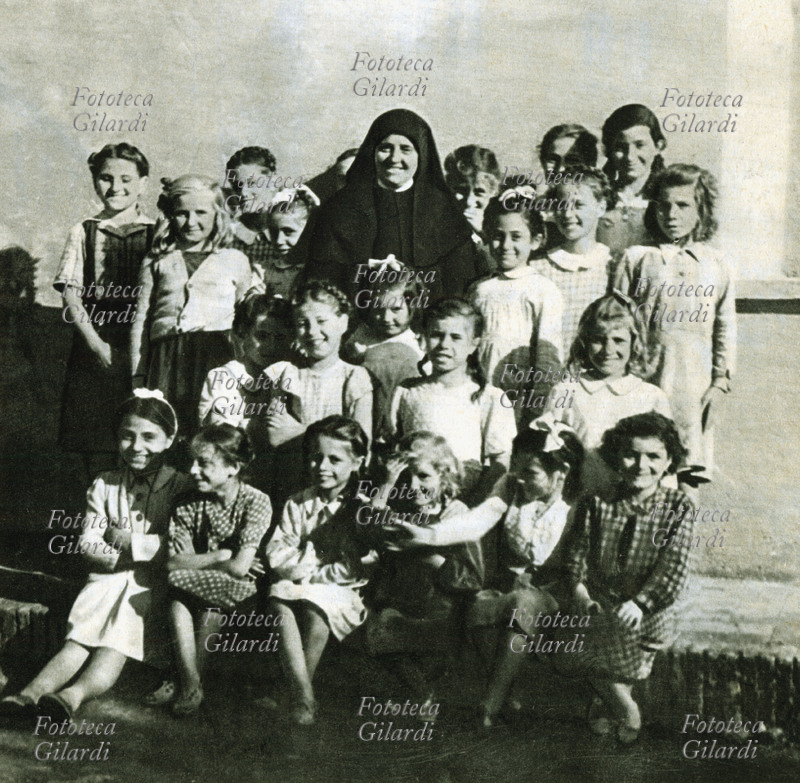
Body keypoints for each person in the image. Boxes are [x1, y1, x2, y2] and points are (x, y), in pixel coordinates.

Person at [0, 391, 188, 724]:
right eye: (127, 436)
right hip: (108, 578)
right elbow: (88, 543)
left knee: (115, 642)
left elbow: (177, 545)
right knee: (78, 640)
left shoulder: (180, 487)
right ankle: (28, 695)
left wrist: (127, 541)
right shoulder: (105, 483)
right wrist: (130, 555)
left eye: (149, 437)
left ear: (170, 439)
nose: (136, 446)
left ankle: (71, 697)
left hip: (150, 588)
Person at [383, 421, 581, 727]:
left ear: (562, 473)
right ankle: (505, 696)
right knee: (485, 604)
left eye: (531, 473)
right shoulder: (511, 487)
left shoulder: (580, 504)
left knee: (523, 605)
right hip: (508, 588)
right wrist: (425, 535)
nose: (519, 479)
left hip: (557, 595)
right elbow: (474, 522)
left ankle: (488, 707)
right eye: (517, 470)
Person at [562, 412, 694, 743]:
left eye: (653, 457)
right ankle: (622, 704)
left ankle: (613, 701)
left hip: (648, 607)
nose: (640, 465)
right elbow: (578, 551)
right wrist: (578, 588)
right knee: (572, 649)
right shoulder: (598, 500)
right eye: (631, 454)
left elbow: (673, 565)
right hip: (601, 599)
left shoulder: (678, 506)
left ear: (669, 462)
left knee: (624, 646)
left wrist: (641, 603)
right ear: (615, 456)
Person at [617, 164, 736, 483]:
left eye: (683, 205)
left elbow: (725, 327)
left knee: (687, 476)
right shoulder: (638, 259)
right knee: (643, 472)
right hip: (646, 381)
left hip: (693, 390)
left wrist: (721, 383)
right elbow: (619, 319)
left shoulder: (716, 264)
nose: (671, 214)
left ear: (702, 210)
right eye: (664, 204)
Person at [55, 143, 154, 478]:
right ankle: (98, 523)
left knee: (143, 437)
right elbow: (71, 298)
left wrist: (141, 352)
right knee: (97, 444)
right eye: (105, 178)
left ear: (143, 182)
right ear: (94, 180)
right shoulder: (82, 231)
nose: (116, 187)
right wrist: (98, 348)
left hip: (144, 346)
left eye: (126, 179)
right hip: (95, 348)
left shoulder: (158, 232)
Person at [309, 108, 482, 301]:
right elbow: (320, 274)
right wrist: (364, 269)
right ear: (372, 152)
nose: (394, 158)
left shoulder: (445, 210)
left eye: (406, 149)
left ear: (421, 154)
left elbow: (461, 281)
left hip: (429, 324)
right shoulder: (339, 207)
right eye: (385, 148)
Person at [362, 432, 483, 704]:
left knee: (422, 644)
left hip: (438, 609)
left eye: (424, 477)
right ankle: (420, 692)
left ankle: (420, 690)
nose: (413, 486)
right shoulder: (397, 510)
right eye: (406, 478)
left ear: (444, 477)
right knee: (379, 632)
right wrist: (385, 486)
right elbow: (366, 533)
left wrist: (432, 559)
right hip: (396, 605)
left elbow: (473, 578)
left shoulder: (454, 516)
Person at [266, 416, 371, 725]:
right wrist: (305, 566)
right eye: (315, 457)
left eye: (334, 459)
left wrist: (307, 570)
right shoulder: (298, 503)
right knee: (276, 596)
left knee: (316, 606)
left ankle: (297, 694)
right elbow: (277, 551)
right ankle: (303, 693)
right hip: (301, 580)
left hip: (345, 591)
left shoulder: (360, 508)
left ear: (357, 462)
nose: (322, 466)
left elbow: (353, 567)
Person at [165, 424, 272, 716]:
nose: (193, 470)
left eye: (204, 463)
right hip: (196, 585)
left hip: (245, 596)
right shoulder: (187, 503)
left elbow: (240, 570)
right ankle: (191, 682)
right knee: (178, 592)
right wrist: (221, 555)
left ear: (232, 467)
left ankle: (185, 682)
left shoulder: (256, 501)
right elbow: (174, 563)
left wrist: (214, 562)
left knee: (184, 590)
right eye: (193, 461)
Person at [130, 176, 251, 432]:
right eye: (182, 214)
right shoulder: (157, 260)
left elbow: (246, 319)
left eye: (201, 213)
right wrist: (138, 373)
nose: (191, 222)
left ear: (217, 214)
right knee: (165, 428)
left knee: (212, 430)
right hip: (166, 361)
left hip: (216, 358)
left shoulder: (235, 259)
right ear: (171, 216)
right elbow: (141, 318)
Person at [389, 298, 515, 505]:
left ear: (474, 344)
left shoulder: (490, 397)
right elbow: (393, 447)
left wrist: (469, 505)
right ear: (425, 337)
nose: (444, 345)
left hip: (465, 500)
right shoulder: (407, 391)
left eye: (455, 337)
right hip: (414, 497)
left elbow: (501, 462)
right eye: (436, 335)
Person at [544, 293, 671, 498]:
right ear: (585, 342)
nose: (608, 349)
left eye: (618, 340)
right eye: (598, 340)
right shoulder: (565, 391)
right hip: (575, 506)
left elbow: (665, 466)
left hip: (631, 510)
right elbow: (545, 454)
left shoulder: (652, 396)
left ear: (634, 343)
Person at [261, 282, 373, 506]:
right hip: (292, 485)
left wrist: (299, 431)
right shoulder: (287, 373)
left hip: (337, 491)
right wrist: (333, 440)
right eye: (303, 324)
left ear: (343, 322)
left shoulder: (353, 378)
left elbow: (362, 448)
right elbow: (275, 435)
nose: (312, 332)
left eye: (321, 321)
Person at [469, 197, 563, 429]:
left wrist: (536, 405)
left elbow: (548, 355)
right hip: (479, 393)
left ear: (535, 241)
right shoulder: (479, 289)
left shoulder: (542, 289)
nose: (505, 245)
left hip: (519, 398)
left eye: (516, 236)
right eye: (498, 236)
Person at [530, 166, 615, 348]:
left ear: (601, 207)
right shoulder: (538, 268)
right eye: (561, 205)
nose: (567, 214)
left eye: (578, 205)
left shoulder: (612, 267)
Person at [342, 258, 425, 435]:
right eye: (378, 308)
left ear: (412, 306)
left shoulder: (414, 342)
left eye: (395, 309)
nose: (386, 318)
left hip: (395, 421)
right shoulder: (362, 334)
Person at [597, 104, 666, 254]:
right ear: (609, 150)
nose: (630, 156)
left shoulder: (666, 198)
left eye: (640, 145)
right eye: (621, 147)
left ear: (658, 146)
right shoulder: (598, 196)